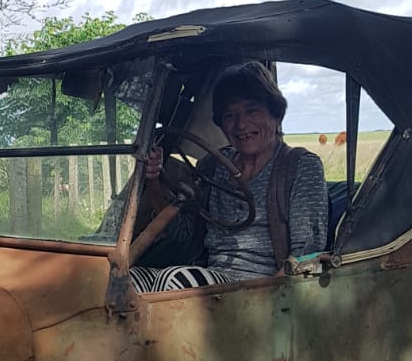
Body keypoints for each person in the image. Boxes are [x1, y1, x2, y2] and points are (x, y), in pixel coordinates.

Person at [129, 62, 330, 292]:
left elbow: (307, 254)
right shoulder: (213, 165)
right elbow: (183, 236)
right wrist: (154, 180)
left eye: (252, 110)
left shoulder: (300, 166)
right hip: (208, 276)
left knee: (175, 281)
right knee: (125, 280)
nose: (241, 124)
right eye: (230, 115)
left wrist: (270, 302)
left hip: (263, 288)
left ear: (275, 116)